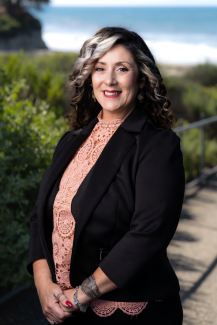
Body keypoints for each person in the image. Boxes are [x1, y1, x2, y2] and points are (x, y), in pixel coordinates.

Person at [27, 27, 185, 325]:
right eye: (100, 68)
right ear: (89, 76)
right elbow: (39, 217)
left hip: (131, 313)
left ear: (141, 79)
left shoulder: (158, 146)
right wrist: (43, 285)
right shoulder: (71, 140)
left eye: (122, 68)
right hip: (64, 311)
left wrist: (79, 296)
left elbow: (148, 235)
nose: (109, 80)